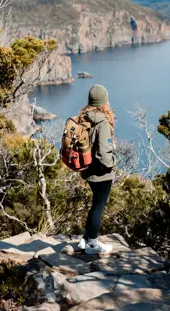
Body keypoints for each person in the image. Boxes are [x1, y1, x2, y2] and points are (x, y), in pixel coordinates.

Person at [77, 84, 117, 255]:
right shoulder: (103, 122)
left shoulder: (84, 117)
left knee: (95, 205)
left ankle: (85, 239)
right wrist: (114, 162)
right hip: (101, 174)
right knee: (98, 206)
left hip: (88, 170)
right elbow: (104, 154)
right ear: (104, 102)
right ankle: (92, 243)